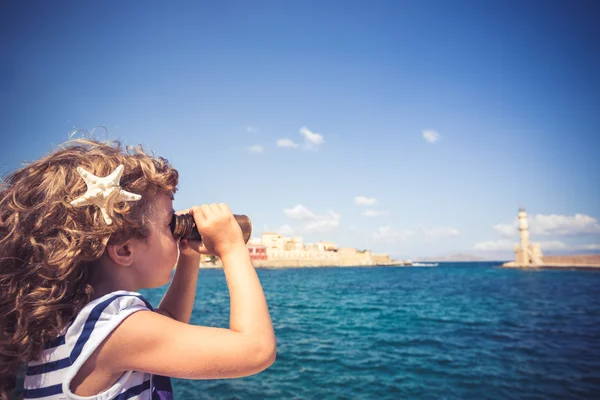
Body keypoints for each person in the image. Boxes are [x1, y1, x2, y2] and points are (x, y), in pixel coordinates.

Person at [0, 139, 276, 400]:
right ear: (124, 250)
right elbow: (256, 350)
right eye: (170, 224)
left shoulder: (75, 321)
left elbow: (168, 323)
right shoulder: (116, 330)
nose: (177, 234)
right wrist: (232, 247)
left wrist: (188, 254)